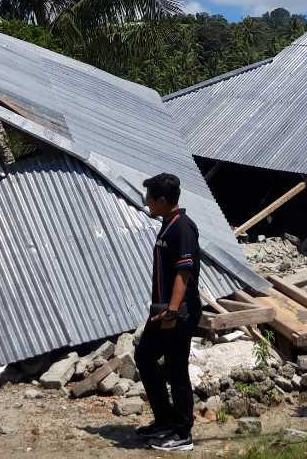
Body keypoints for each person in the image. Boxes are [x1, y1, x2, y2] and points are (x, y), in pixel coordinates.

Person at [134, 173, 201, 452]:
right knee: (145, 355)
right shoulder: (167, 224)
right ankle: (164, 420)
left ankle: (183, 432)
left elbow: (183, 273)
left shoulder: (182, 227)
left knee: (176, 369)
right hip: (163, 311)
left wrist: (172, 311)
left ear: (163, 200)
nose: (147, 202)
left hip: (178, 313)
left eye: (150, 197)